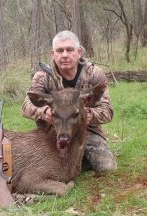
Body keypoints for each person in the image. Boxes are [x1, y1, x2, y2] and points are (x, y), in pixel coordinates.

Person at [22, 30, 117, 173]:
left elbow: (107, 111)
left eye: (70, 50)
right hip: (52, 131)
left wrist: (87, 115)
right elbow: (26, 106)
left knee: (106, 168)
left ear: (79, 52)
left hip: (85, 130)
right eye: (59, 51)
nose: (65, 55)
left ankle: (78, 158)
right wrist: (45, 112)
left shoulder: (94, 74)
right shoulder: (42, 77)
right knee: (35, 167)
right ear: (53, 54)